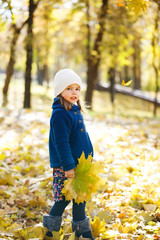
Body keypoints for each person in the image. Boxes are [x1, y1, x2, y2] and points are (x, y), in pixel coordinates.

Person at [43, 68, 94, 239]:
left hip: (81, 166)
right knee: (63, 199)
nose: (74, 92)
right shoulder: (60, 114)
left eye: (77, 88)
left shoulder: (74, 109)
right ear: (60, 91)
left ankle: (83, 232)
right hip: (67, 167)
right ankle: (50, 231)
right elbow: (61, 143)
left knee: (80, 199)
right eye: (69, 88)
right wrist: (68, 166)